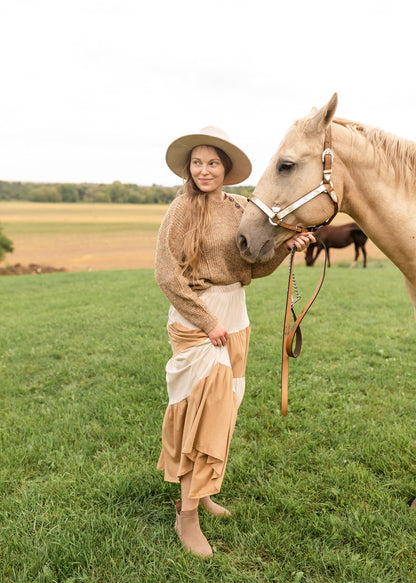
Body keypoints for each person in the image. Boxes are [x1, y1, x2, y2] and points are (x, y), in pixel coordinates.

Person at [155, 126, 314, 558]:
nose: (204, 170)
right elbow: (167, 276)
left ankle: (203, 492)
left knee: (227, 411)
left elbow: (251, 266)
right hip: (198, 319)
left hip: (237, 318)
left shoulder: (242, 207)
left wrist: (285, 248)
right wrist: (207, 322)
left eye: (213, 162)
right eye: (197, 163)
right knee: (203, 413)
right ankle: (186, 515)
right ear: (189, 168)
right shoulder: (180, 210)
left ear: (225, 168)